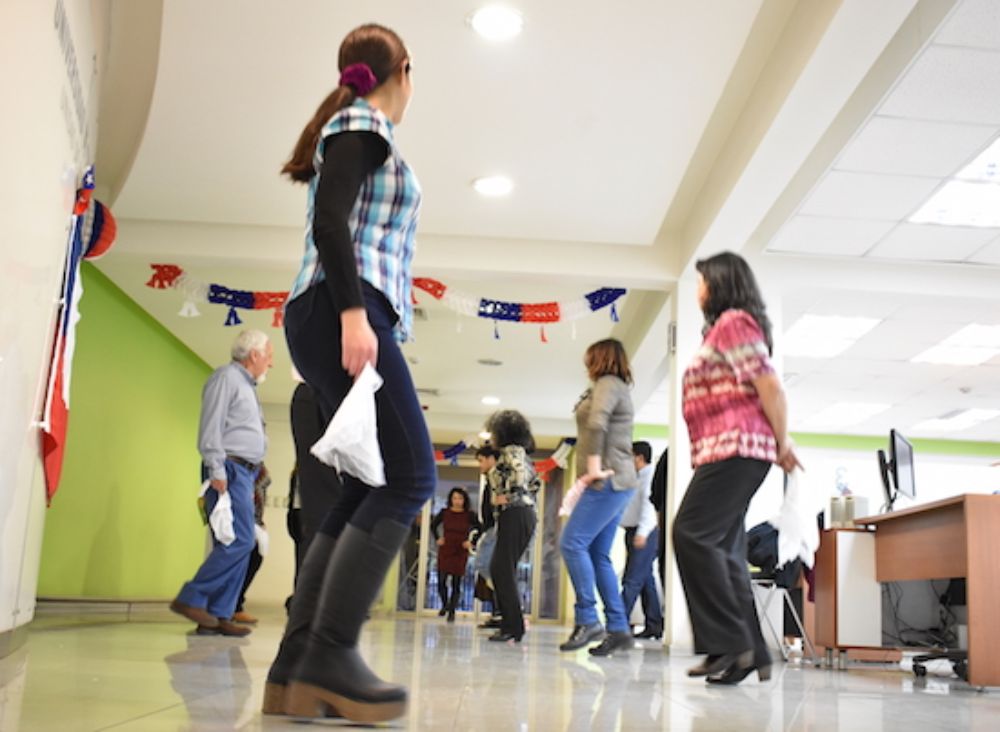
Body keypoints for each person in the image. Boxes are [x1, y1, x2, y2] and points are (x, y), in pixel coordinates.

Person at [263, 24, 433, 724]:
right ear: (403, 71)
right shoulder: (363, 124)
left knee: (364, 485)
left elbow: (338, 223)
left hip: (327, 310)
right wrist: (356, 315)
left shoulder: (350, 125)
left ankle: (295, 666)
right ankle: (331, 655)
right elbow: (332, 224)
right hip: (341, 307)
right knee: (412, 476)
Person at [672, 251, 801, 686]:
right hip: (726, 450)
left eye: (701, 281)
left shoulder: (734, 322)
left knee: (690, 533)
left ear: (721, 283)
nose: (698, 290)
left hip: (738, 447)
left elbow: (770, 386)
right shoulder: (722, 330)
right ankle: (749, 651)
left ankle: (729, 642)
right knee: (725, 550)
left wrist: (783, 442)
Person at [170, 329, 272, 637]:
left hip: (245, 473)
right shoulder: (226, 378)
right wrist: (217, 469)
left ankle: (218, 614)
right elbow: (210, 425)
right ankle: (192, 597)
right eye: (268, 356)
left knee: (234, 541)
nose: (270, 363)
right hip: (229, 468)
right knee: (240, 541)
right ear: (254, 354)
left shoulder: (247, 386)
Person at [559, 339, 638, 657]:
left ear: (600, 359)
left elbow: (596, 422)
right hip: (618, 480)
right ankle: (618, 629)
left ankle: (588, 619)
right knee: (597, 553)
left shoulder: (608, 383)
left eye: (589, 359)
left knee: (572, 543)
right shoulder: (612, 386)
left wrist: (592, 468)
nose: (586, 366)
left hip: (607, 480)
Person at [485, 410, 541, 643]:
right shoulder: (522, 454)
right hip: (522, 514)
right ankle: (511, 624)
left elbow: (518, 476)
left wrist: (506, 497)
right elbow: (535, 484)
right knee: (502, 569)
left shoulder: (511, 453)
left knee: (501, 569)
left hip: (515, 513)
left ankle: (513, 626)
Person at [620, 441, 663, 641]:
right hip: (634, 531)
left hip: (645, 532)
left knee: (632, 580)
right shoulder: (638, 477)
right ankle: (654, 625)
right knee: (645, 580)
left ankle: (617, 626)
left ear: (638, 457)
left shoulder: (649, 476)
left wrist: (643, 533)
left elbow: (649, 507)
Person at [430, 487, 480, 622]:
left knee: (456, 583)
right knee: (441, 580)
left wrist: (472, 542)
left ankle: (452, 611)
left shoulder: (469, 515)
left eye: (460, 498)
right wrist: (438, 538)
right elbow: (433, 525)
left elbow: (480, 528)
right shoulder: (444, 513)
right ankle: (445, 604)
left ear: (464, 500)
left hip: (460, 550)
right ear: (450, 500)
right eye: (455, 498)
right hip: (446, 548)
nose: (457, 501)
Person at [233, 464, 272, 624]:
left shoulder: (256, 463)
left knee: (254, 558)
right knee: (245, 559)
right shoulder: (239, 463)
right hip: (241, 516)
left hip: (254, 519)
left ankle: (234, 605)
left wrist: (258, 520)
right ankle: (232, 606)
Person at [473, 445, 502, 628]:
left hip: (496, 530)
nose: (480, 465)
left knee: (485, 565)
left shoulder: (498, 478)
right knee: (489, 569)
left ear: (491, 459)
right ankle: (498, 611)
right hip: (491, 529)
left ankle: (502, 610)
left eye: (481, 461)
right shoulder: (491, 479)